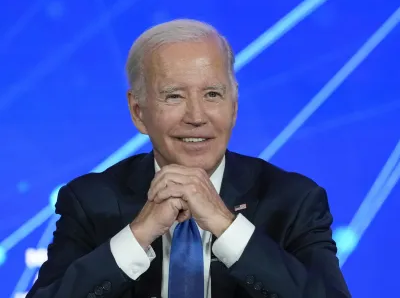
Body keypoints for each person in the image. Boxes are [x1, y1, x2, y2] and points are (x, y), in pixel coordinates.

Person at [26, 19, 351, 298]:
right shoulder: (90, 201)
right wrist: (140, 233)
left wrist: (226, 227)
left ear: (234, 105)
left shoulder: (294, 200)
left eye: (212, 94)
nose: (196, 116)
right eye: (174, 96)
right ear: (138, 112)